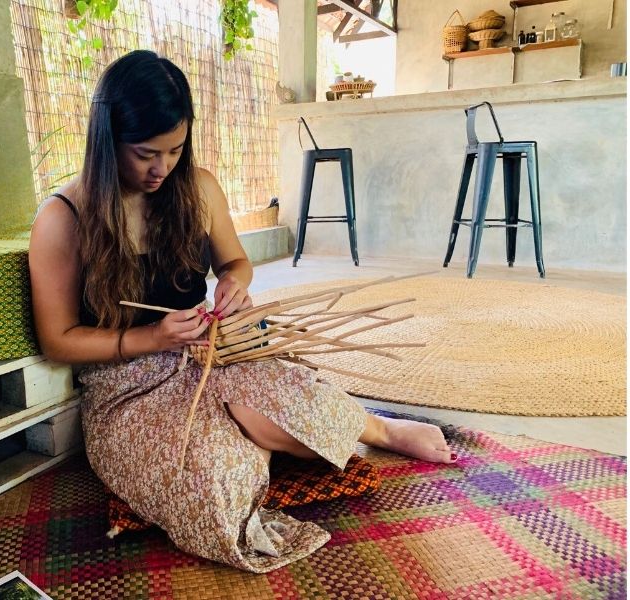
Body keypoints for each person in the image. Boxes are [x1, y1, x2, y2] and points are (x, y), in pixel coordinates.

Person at [28, 50, 456, 573]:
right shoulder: (64, 218)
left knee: (292, 403)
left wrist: (234, 282)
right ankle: (249, 443)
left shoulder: (198, 187)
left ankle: (379, 429)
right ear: (107, 140)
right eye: (145, 154)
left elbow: (235, 262)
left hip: (213, 354)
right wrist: (152, 338)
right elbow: (58, 339)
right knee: (212, 484)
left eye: (175, 150)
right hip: (125, 386)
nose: (162, 168)